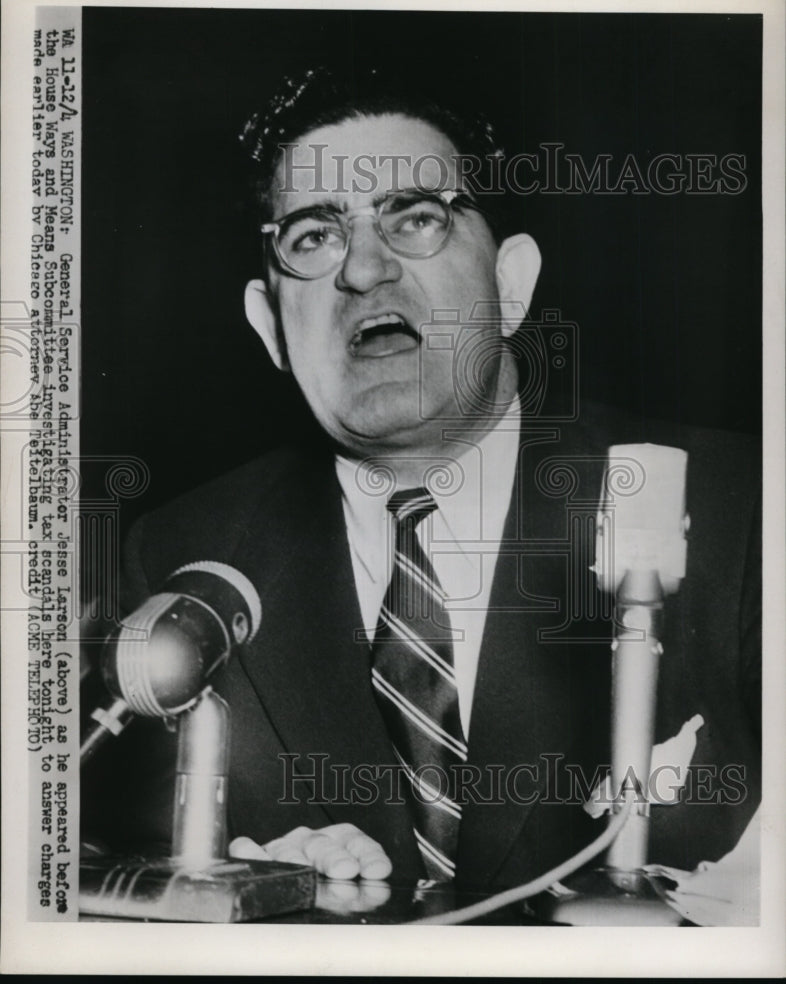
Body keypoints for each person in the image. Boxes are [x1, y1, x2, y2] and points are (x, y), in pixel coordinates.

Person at [82, 67, 761, 893]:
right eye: (312, 237)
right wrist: (241, 890)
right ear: (270, 327)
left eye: (416, 219)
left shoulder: (744, 509)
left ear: (510, 286)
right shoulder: (180, 562)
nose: (365, 269)